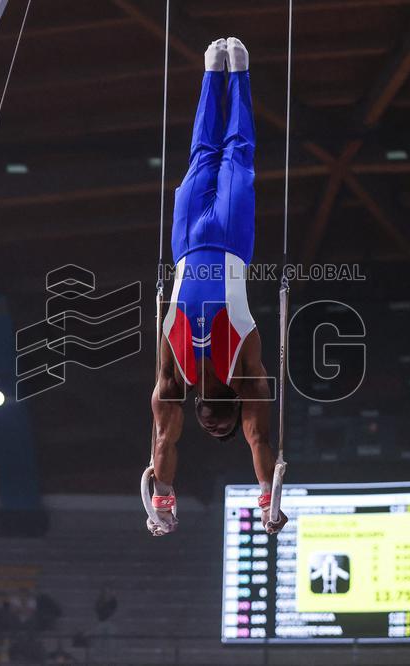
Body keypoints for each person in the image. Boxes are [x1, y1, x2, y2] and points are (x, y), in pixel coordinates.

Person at [150, 37, 287, 536]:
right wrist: (270, 499)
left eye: (208, 429)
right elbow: (258, 438)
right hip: (231, 240)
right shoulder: (245, 367)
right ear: (234, 410)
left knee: (201, 156)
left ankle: (212, 74)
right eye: (220, 426)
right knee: (238, 156)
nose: (211, 426)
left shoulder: (172, 375)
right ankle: (241, 75)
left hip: (185, 243)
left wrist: (162, 500)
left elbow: (164, 442)